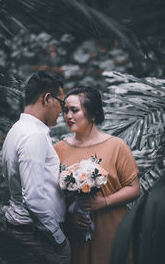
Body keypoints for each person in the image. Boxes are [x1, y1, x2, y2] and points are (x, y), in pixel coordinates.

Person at [54, 86, 141, 264]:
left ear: (93, 114)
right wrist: (70, 218)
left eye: (74, 110)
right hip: (77, 233)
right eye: (66, 111)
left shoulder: (116, 146)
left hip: (113, 229)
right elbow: (55, 196)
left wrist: (104, 201)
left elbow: (134, 189)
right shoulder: (58, 149)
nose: (68, 116)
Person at [2, 71, 70, 264]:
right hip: (36, 236)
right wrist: (59, 239)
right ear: (47, 99)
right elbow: (33, 197)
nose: (62, 111)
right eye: (61, 103)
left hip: (24, 230)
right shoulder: (33, 136)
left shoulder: (17, 130)